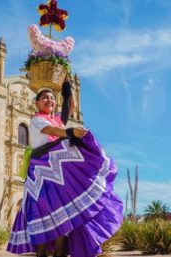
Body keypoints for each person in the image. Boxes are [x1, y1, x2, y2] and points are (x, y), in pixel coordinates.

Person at [7, 81, 123, 257]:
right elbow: (52, 130)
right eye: (44, 97)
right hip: (41, 174)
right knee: (43, 215)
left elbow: (71, 107)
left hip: (58, 173)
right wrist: (70, 132)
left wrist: (68, 90)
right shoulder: (37, 120)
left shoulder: (57, 119)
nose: (49, 100)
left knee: (62, 220)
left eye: (52, 98)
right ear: (37, 103)